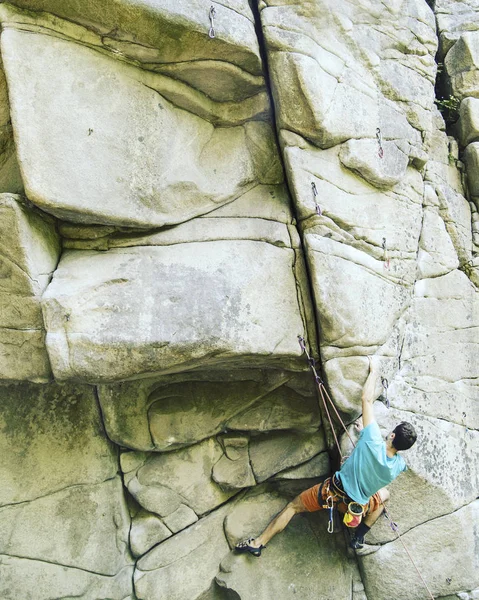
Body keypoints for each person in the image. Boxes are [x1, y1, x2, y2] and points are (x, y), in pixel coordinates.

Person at [235, 357, 417, 556]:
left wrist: (373, 371)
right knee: (385, 495)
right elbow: (383, 455)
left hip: (331, 493)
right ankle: (358, 536)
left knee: (293, 507)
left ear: (391, 435)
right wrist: (364, 432)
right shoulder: (398, 465)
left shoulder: (372, 438)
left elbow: (366, 399)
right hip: (356, 507)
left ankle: (258, 543)